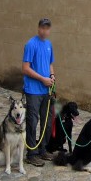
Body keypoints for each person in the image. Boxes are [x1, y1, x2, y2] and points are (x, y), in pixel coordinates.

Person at [22, 17, 56, 166]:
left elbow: (50, 64)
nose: (44, 30)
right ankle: (31, 154)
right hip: (33, 91)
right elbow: (25, 68)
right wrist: (42, 79)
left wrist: (52, 76)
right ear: (38, 28)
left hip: (46, 90)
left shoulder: (49, 44)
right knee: (32, 122)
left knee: (47, 122)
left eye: (47, 28)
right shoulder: (31, 44)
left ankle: (43, 150)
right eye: (42, 27)